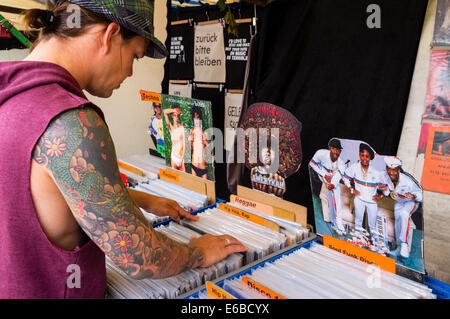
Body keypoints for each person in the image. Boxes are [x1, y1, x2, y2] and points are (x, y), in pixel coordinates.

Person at [0, 0, 246, 299]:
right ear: (111, 35)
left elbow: (28, 192)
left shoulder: (10, 93)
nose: (130, 71)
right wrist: (198, 252)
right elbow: (139, 258)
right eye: (135, 56)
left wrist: (136, 198)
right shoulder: (71, 121)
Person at [381, 157, 423, 258]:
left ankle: (404, 244)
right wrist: (384, 189)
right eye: (388, 169)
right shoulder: (385, 177)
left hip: (411, 202)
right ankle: (399, 247)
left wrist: (413, 196)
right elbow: (388, 193)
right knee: (398, 223)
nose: (391, 172)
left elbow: (421, 195)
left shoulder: (407, 180)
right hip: (399, 202)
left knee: (404, 213)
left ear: (398, 170)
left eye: (394, 170)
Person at [343, 143, 385, 240]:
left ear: (370, 158)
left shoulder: (376, 172)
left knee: (373, 225)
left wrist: (381, 196)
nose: (364, 158)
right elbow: (345, 177)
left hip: (372, 201)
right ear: (359, 155)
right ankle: (358, 239)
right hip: (359, 199)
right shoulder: (354, 167)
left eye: (367, 156)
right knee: (358, 221)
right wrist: (352, 189)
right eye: (362, 155)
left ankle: (374, 242)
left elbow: (386, 187)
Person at [309, 138, 346, 234]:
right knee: (334, 194)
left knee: (334, 193)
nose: (336, 152)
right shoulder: (321, 153)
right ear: (330, 148)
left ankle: (335, 223)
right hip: (322, 173)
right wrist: (324, 174)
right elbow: (312, 164)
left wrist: (333, 184)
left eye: (338, 150)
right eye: (334, 149)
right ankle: (339, 224)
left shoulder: (341, 163)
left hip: (333, 178)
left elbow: (338, 175)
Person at [188, 106, 209, 179]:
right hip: (194, 166)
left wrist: (206, 143)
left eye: (198, 118)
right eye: (194, 118)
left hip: (203, 168)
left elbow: (208, 154)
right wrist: (189, 141)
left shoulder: (205, 133)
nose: (196, 120)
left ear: (200, 119)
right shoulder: (191, 131)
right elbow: (190, 150)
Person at [163, 106, 187, 172]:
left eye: (177, 115)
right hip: (173, 156)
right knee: (174, 178)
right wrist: (174, 110)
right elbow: (164, 112)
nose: (176, 117)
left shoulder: (182, 127)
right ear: (172, 116)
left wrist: (181, 159)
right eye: (174, 115)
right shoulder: (171, 127)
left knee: (184, 179)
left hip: (181, 157)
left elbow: (185, 145)